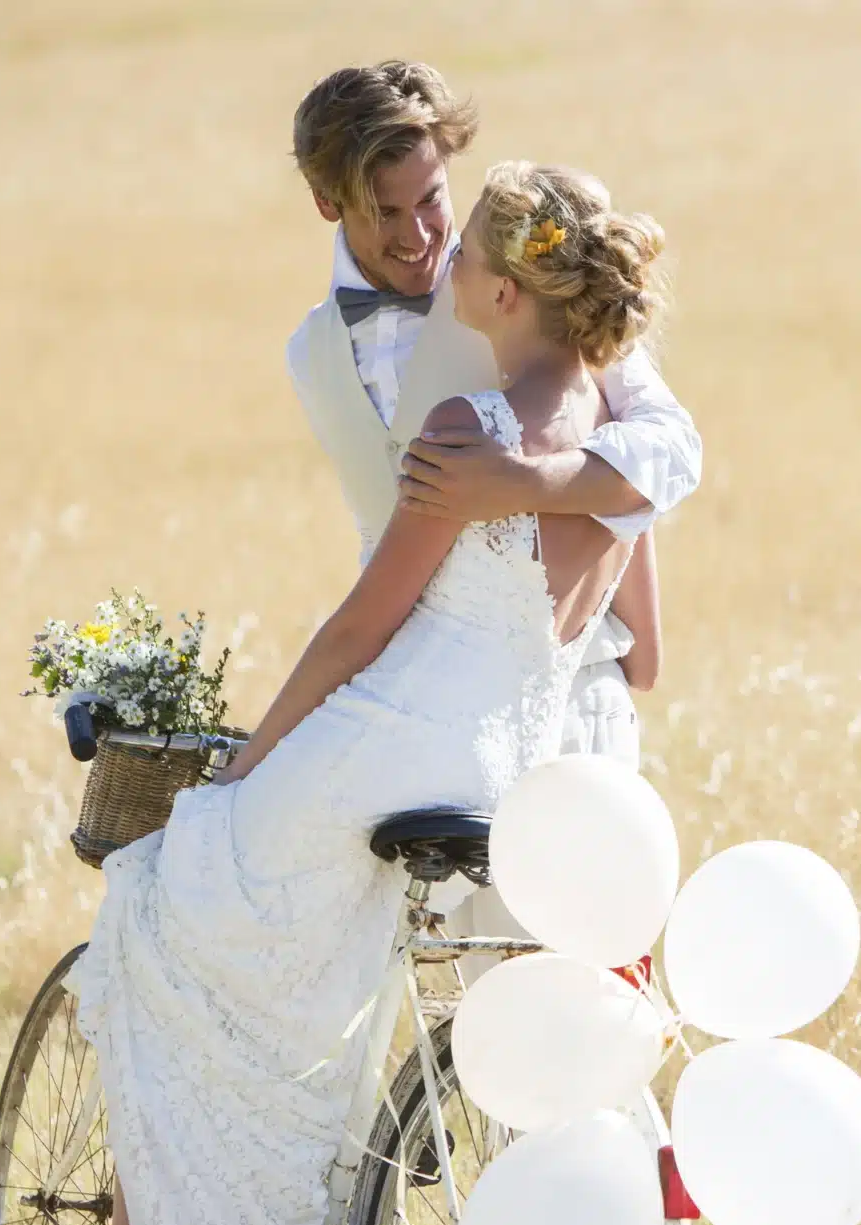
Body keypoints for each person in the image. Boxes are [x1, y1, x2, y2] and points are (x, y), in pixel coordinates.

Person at [10, 161, 675, 1225]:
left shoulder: (464, 433)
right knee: (280, 975)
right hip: (501, 766)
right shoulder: (625, 447)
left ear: (492, 288)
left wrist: (255, 757)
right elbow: (632, 635)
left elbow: (361, 629)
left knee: (157, 888)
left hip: (387, 742)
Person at [282, 61, 686, 766]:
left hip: (567, 699)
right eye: (384, 211)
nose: (418, 236)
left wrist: (528, 480)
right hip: (425, 722)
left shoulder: (537, 285)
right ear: (326, 202)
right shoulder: (309, 355)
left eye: (432, 199)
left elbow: (671, 449)